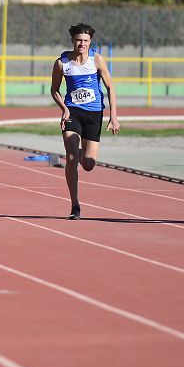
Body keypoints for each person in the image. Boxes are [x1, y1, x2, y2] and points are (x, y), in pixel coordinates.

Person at [49, 23, 119, 220]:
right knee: (71, 158)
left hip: (94, 113)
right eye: (79, 40)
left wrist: (113, 116)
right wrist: (64, 109)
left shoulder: (96, 60)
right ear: (72, 41)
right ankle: (75, 205)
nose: (82, 44)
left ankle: (81, 152)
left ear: (90, 42)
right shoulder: (62, 63)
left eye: (86, 41)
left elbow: (110, 87)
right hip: (72, 113)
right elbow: (54, 90)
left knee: (88, 164)